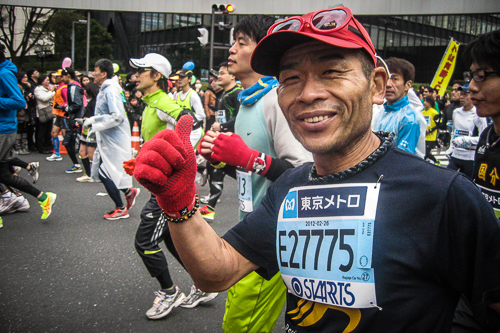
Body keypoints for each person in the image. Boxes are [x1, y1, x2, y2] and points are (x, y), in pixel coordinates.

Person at [132, 6, 500, 333]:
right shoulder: (289, 188)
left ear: (375, 86)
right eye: (290, 79)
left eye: (331, 72)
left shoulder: (443, 195)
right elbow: (217, 272)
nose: (308, 94)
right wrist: (179, 201)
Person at [199, 15, 313, 333]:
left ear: (262, 50)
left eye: (241, 42)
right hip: (248, 227)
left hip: (272, 234)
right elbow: (256, 175)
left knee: (240, 327)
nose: (231, 50)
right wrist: (223, 162)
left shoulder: (277, 101)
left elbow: (303, 175)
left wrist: (248, 157)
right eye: (233, 41)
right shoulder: (247, 102)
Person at [126, 52, 218, 320]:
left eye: (142, 70)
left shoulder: (163, 101)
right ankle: (202, 285)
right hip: (159, 183)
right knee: (170, 237)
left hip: (168, 187)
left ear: (156, 76)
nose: (136, 75)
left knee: (144, 242)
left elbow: (192, 123)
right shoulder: (151, 101)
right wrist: (141, 159)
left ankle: (169, 292)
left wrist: (182, 164)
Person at [453, 29, 500, 333]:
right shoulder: (487, 136)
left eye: (482, 75)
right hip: (477, 292)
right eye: (471, 75)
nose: (471, 86)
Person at [0, 43, 56, 220]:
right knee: (3, 174)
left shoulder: (4, 73)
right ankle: (44, 197)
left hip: (4, 129)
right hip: (3, 128)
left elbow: (18, 101)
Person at [85, 58, 139, 220]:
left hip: (114, 140)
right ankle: (129, 192)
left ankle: (121, 207)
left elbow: (117, 117)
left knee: (105, 173)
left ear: (104, 73)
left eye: (95, 70)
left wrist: (95, 124)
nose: (93, 73)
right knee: (112, 170)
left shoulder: (110, 90)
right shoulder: (107, 88)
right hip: (110, 139)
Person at [199, 62, 242, 220]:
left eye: (222, 73)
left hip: (235, 141)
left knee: (244, 174)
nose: (218, 77)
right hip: (223, 139)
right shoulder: (223, 94)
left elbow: (241, 118)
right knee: (215, 167)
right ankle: (210, 207)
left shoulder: (237, 94)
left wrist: (222, 126)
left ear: (232, 76)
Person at [372, 57, 426, 158]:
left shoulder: (410, 118)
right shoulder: (380, 112)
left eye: (395, 79)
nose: (388, 84)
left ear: (408, 85)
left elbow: (403, 158)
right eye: (386, 78)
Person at [447, 83, 487, 178]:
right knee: (448, 180)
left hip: (470, 158)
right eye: (461, 94)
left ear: (472, 96)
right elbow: (454, 131)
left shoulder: (478, 114)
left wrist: (465, 139)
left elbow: (483, 139)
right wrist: (451, 148)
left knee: (467, 186)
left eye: (465, 94)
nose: (462, 97)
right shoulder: (456, 112)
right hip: (455, 155)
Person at [61, 67, 85, 173]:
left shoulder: (73, 87)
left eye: (62, 76)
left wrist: (66, 108)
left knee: (72, 142)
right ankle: (78, 165)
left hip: (75, 119)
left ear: (68, 76)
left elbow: (77, 104)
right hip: (74, 118)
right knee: (71, 142)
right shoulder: (72, 87)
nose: (61, 79)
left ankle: (80, 166)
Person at [174, 68, 205, 147]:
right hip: (183, 133)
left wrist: (187, 122)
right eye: (178, 77)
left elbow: (201, 115)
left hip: (194, 133)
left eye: (182, 77)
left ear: (190, 79)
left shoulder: (193, 95)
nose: (179, 80)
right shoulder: (177, 95)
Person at [75, 82, 99, 182]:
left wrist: (83, 121)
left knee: (91, 155)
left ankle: (97, 174)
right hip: (85, 129)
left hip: (91, 130)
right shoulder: (91, 101)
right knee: (82, 152)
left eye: (86, 89)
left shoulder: (95, 103)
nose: (84, 91)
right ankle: (89, 174)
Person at [46, 69, 67, 162]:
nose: (55, 78)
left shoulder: (64, 88)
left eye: (57, 76)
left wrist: (61, 106)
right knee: (54, 133)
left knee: (65, 134)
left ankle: (75, 153)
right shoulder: (59, 87)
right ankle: (57, 153)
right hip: (59, 114)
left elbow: (68, 101)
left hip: (63, 114)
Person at [34, 75, 56, 154]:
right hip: (43, 111)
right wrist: (51, 91)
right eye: (46, 80)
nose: (48, 81)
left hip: (50, 110)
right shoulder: (38, 89)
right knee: (42, 130)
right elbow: (44, 98)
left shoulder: (50, 87)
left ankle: (48, 146)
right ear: (42, 81)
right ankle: (41, 147)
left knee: (49, 130)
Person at [440, 80, 464, 148]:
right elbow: (443, 126)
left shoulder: (469, 108)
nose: (453, 92)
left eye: (456, 90)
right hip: (450, 144)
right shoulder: (448, 107)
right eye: (452, 90)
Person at [422, 95, 441, 164]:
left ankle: (436, 161)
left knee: (427, 152)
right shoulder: (422, 112)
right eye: (424, 101)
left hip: (431, 137)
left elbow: (438, 125)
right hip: (423, 136)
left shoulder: (434, 112)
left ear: (430, 102)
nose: (425, 103)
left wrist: (430, 130)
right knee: (423, 152)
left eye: (427, 101)